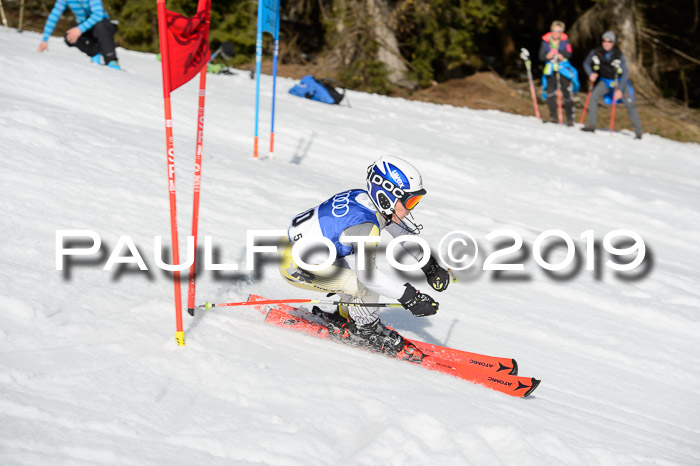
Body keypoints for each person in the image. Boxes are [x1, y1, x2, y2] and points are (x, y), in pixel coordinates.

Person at [278, 155, 450, 357]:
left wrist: (429, 266)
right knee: (365, 286)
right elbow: (370, 278)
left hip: (306, 252)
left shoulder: (365, 200)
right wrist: (410, 298)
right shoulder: (367, 225)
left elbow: (402, 235)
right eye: (410, 201)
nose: (412, 208)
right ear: (387, 196)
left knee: (353, 283)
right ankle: (366, 332)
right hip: (297, 265)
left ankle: (347, 319)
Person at [581, 31, 642, 139]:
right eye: (604, 40)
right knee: (593, 98)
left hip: (619, 82)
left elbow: (625, 73)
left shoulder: (618, 54)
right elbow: (586, 63)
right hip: (605, 81)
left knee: (630, 104)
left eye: (609, 41)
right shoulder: (596, 52)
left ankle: (638, 132)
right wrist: (591, 74)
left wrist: (619, 89)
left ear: (613, 43)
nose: (606, 43)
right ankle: (592, 125)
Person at [37, 0, 120, 70]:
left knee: (101, 26)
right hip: (84, 26)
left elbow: (98, 14)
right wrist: (45, 39)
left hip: (102, 24)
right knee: (69, 36)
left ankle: (111, 59)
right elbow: (54, 15)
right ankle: (94, 53)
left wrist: (79, 29)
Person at [538, 20, 578, 125]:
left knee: (566, 91)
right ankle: (553, 116)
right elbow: (541, 56)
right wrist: (547, 56)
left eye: (558, 31)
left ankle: (570, 118)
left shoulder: (566, 41)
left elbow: (569, 53)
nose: (556, 33)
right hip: (550, 67)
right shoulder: (545, 41)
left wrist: (561, 54)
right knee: (550, 90)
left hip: (563, 68)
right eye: (554, 30)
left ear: (562, 32)